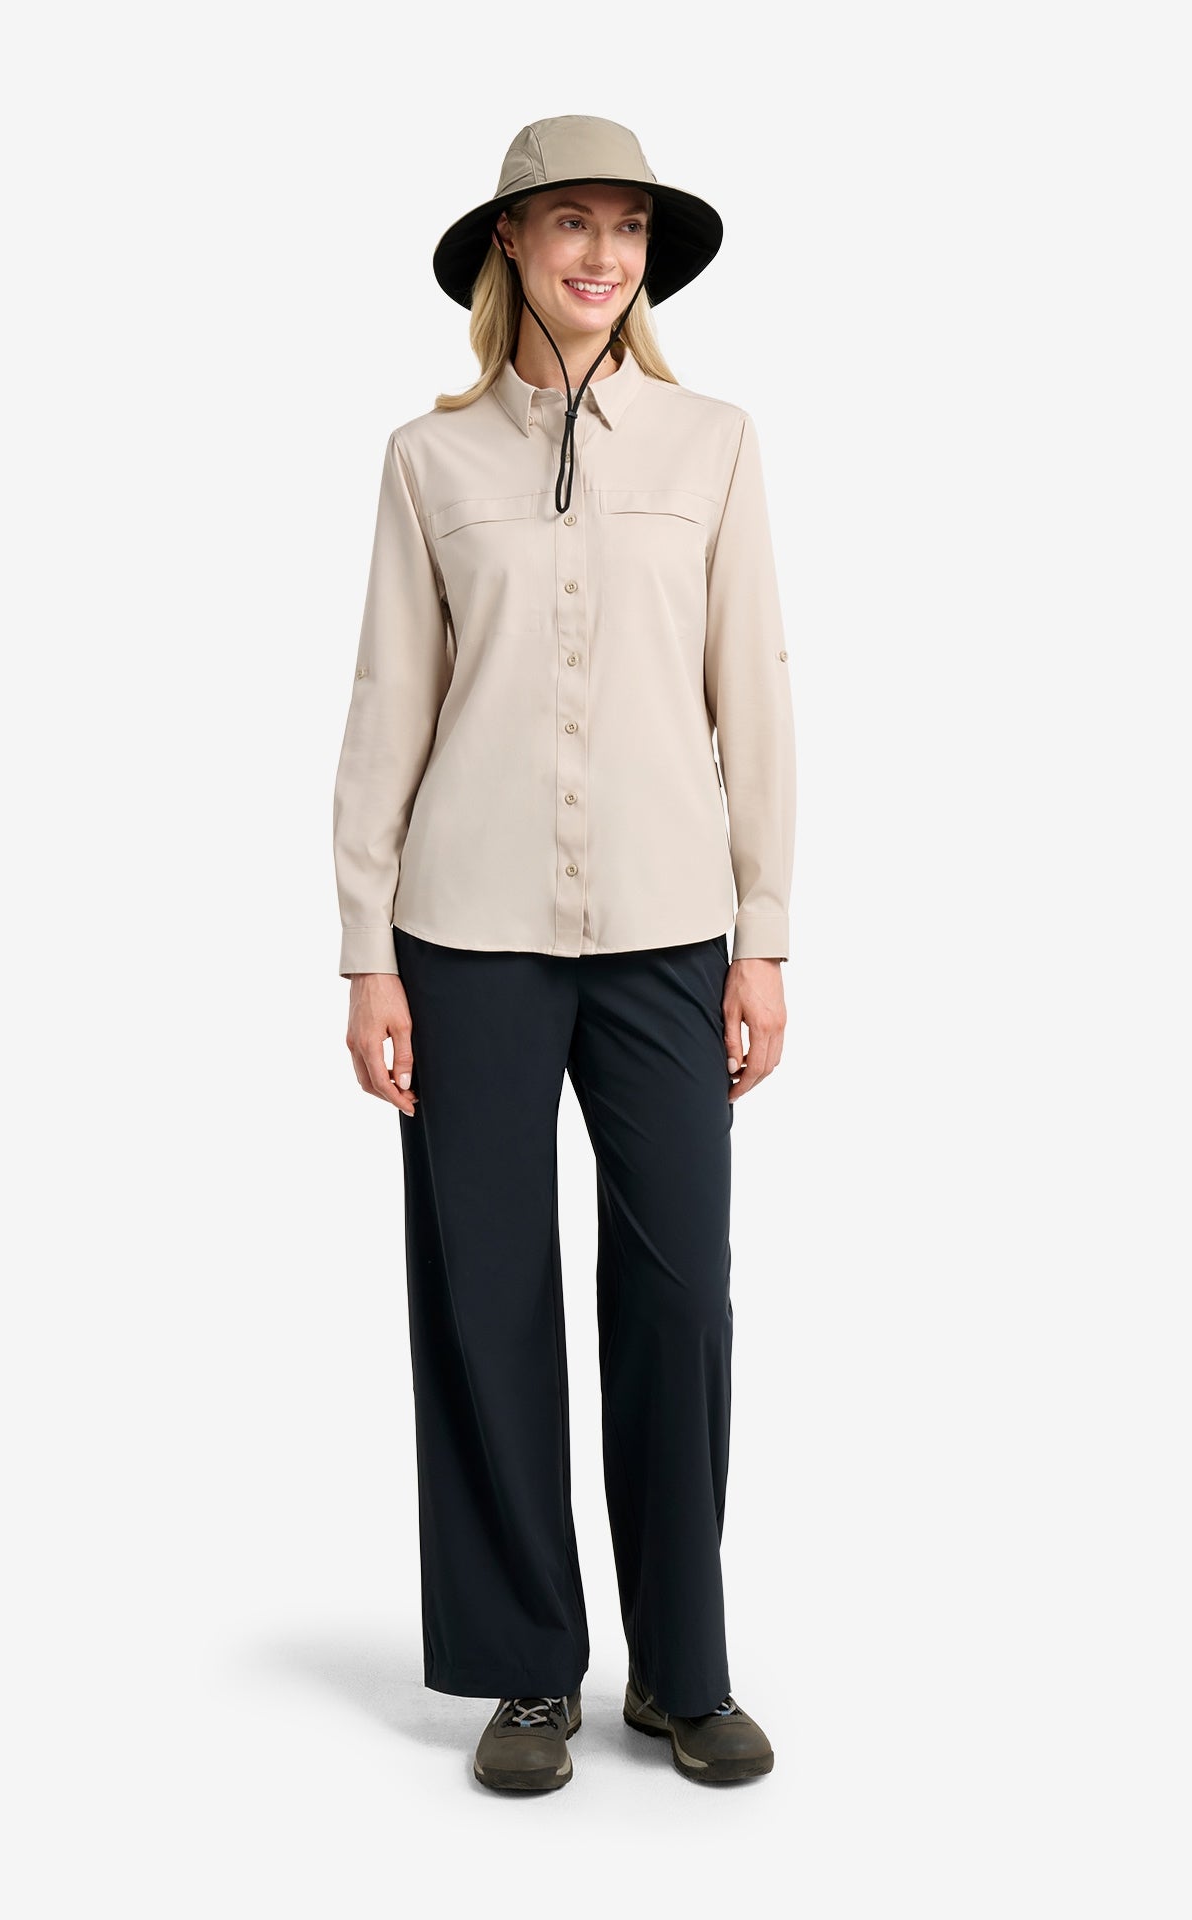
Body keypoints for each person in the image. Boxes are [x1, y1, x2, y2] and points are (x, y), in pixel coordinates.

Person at [331, 115, 796, 1791]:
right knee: (488, 1296)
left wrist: (764, 935)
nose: (604, 255)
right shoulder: (428, 461)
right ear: (511, 248)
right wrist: (366, 955)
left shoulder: (714, 444)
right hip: (462, 932)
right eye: (571, 224)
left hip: (670, 931)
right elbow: (389, 703)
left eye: (628, 229)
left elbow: (754, 694)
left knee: (677, 1298)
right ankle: (526, 1669)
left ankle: (681, 1672)